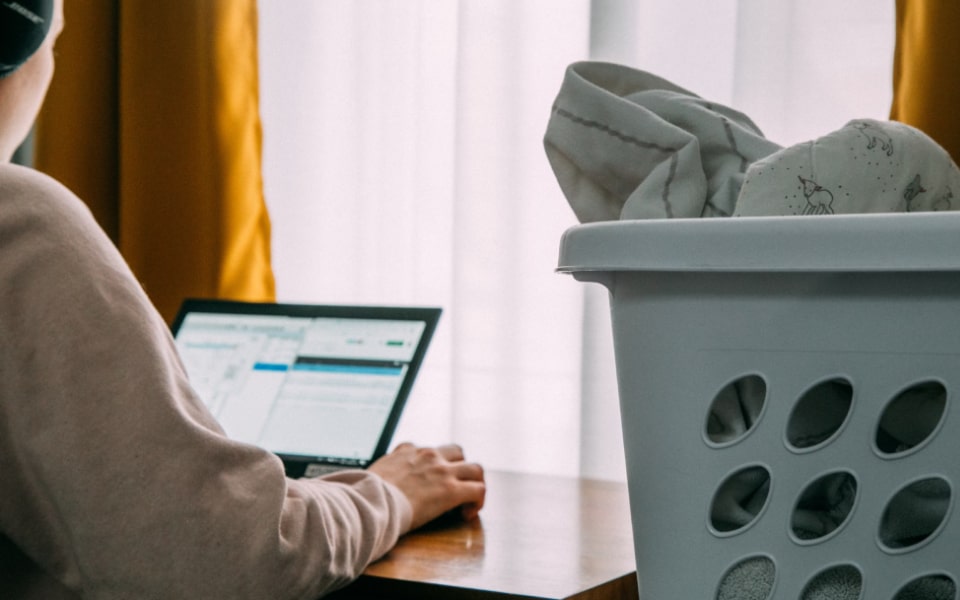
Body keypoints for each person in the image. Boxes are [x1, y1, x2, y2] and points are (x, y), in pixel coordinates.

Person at [0, 1, 485, 598]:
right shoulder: (21, 219)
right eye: (56, 41)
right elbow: (224, 556)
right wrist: (391, 493)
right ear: (17, 39)